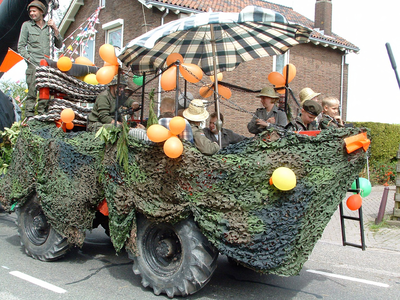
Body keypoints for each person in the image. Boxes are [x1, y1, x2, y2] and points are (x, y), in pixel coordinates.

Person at [18, 1, 63, 119]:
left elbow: (59, 45)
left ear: (42, 12)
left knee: (45, 93)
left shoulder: (49, 27)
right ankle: (29, 117)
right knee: (32, 92)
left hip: (47, 65)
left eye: (34, 11)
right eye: (30, 12)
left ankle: (43, 115)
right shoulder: (26, 25)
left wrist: (55, 28)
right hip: (34, 64)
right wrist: (28, 58)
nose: (32, 14)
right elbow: (21, 46)